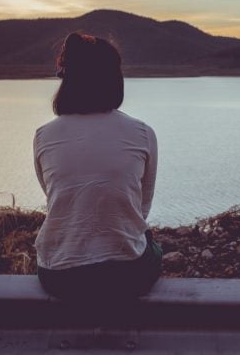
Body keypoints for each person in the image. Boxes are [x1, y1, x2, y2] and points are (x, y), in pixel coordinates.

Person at [33, 32, 162, 302]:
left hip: (58, 276)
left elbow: (55, 197)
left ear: (67, 81)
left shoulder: (43, 135)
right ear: (114, 79)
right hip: (127, 276)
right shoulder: (142, 133)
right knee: (153, 247)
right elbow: (142, 208)